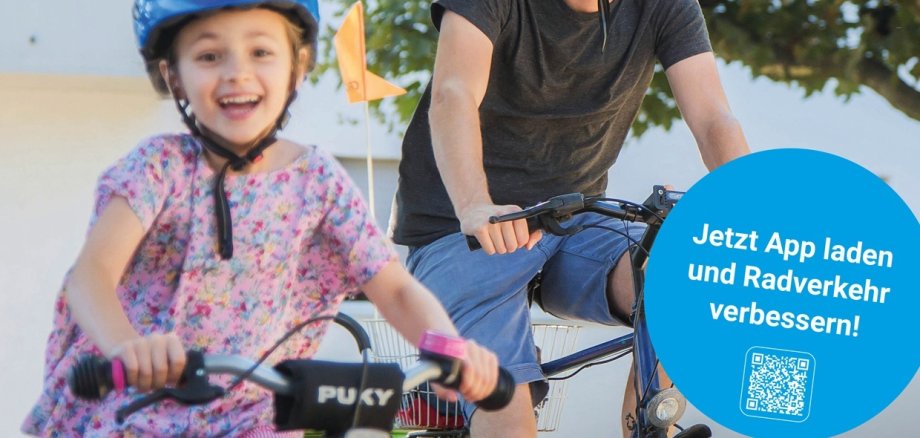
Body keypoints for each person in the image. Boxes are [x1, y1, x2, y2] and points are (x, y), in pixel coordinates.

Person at [22, 1, 500, 435]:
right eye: (209, 56)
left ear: (298, 67)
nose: (237, 73)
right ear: (174, 77)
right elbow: (91, 276)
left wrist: (448, 348)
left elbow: (393, 288)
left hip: (251, 417)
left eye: (261, 52)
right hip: (135, 407)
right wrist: (128, 346)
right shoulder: (158, 168)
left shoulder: (318, 183)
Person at [391, 0, 750, 436]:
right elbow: (454, 93)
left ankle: (652, 426)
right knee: (504, 401)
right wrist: (474, 204)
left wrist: (755, 211)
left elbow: (713, 119)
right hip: (464, 229)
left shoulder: (665, 6)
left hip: (575, 219)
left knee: (682, 277)